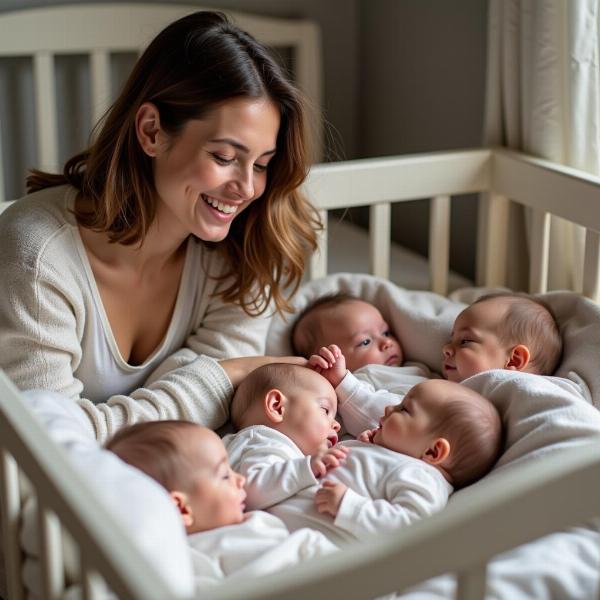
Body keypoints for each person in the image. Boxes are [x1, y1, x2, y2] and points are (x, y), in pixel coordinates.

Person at [0, 11, 321, 443]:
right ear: (152, 131)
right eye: (225, 157)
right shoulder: (38, 258)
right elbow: (54, 450)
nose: (246, 188)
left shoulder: (245, 248)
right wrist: (225, 375)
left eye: (262, 165)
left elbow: (209, 411)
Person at [227, 361, 501, 547]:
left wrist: (351, 506)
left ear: (432, 451)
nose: (387, 409)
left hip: (322, 551)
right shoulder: (393, 456)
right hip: (281, 532)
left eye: (403, 409)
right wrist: (367, 447)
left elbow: (411, 529)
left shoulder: (422, 477)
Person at [106, 420, 337, 588]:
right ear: (182, 509)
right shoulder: (192, 557)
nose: (240, 479)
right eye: (225, 476)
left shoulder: (244, 521)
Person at [291, 293, 433, 436]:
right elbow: (378, 419)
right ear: (329, 362)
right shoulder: (356, 384)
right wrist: (344, 383)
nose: (386, 343)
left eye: (386, 332)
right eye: (365, 342)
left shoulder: (417, 366)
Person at [224, 363, 348, 510]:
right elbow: (248, 490)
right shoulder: (261, 439)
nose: (337, 425)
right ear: (277, 407)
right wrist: (306, 467)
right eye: (325, 410)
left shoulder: (274, 445)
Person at [442, 292, 562, 382]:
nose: (446, 348)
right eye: (451, 340)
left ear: (514, 360)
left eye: (465, 341)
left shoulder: (525, 394)